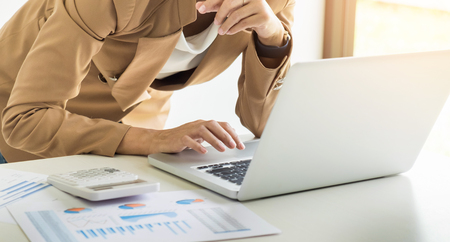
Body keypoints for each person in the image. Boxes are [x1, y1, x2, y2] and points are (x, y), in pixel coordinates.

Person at [0, 0, 295, 164]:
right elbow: (25, 121)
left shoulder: (274, 3)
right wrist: (154, 139)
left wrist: (272, 36)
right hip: (22, 125)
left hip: (131, 135)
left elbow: (265, 125)